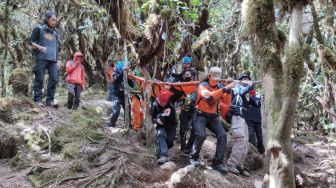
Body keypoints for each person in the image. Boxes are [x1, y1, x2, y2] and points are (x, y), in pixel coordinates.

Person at [189, 67, 234, 174]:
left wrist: (228, 91)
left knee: (222, 135)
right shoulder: (202, 85)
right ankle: (193, 157)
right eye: (214, 78)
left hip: (212, 116)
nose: (216, 81)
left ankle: (217, 162)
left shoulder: (220, 86)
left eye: (218, 79)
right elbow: (208, 97)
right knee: (201, 135)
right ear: (209, 76)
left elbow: (226, 102)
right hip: (199, 115)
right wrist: (224, 89)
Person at [227, 73, 257, 176]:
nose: (246, 80)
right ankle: (231, 164)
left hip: (244, 119)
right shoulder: (236, 87)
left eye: (247, 79)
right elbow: (241, 91)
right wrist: (250, 85)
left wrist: (254, 95)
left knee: (245, 143)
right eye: (244, 79)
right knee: (239, 140)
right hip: (237, 116)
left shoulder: (247, 92)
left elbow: (256, 104)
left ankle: (240, 165)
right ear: (240, 80)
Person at [29, 11, 59, 107]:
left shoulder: (55, 33)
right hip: (41, 58)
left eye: (56, 20)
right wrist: (39, 47)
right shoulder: (39, 29)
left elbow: (56, 47)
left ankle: (50, 100)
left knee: (54, 79)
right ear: (47, 19)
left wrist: (58, 59)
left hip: (53, 60)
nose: (55, 22)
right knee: (39, 78)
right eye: (52, 20)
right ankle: (37, 100)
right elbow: (30, 41)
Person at [108, 61, 134, 128]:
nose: (128, 69)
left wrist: (130, 79)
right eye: (126, 68)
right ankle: (111, 124)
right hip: (116, 95)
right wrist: (123, 72)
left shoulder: (126, 74)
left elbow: (132, 85)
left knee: (128, 110)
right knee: (116, 111)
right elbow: (116, 80)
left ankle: (128, 125)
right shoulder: (115, 73)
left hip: (124, 95)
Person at [179, 69, 197, 153]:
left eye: (188, 75)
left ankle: (189, 147)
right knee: (183, 129)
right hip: (184, 110)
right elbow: (175, 96)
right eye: (185, 75)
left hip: (194, 111)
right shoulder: (181, 85)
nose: (186, 76)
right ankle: (183, 147)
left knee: (194, 129)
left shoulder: (197, 85)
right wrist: (180, 102)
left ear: (192, 76)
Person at [247, 90, 265, 154]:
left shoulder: (258, 98)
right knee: (251, 136)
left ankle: (261, 152)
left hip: (258, 121)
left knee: (259, 137)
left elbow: (261, 99)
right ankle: (254, 152)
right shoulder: (247, 99)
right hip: (250, 121)